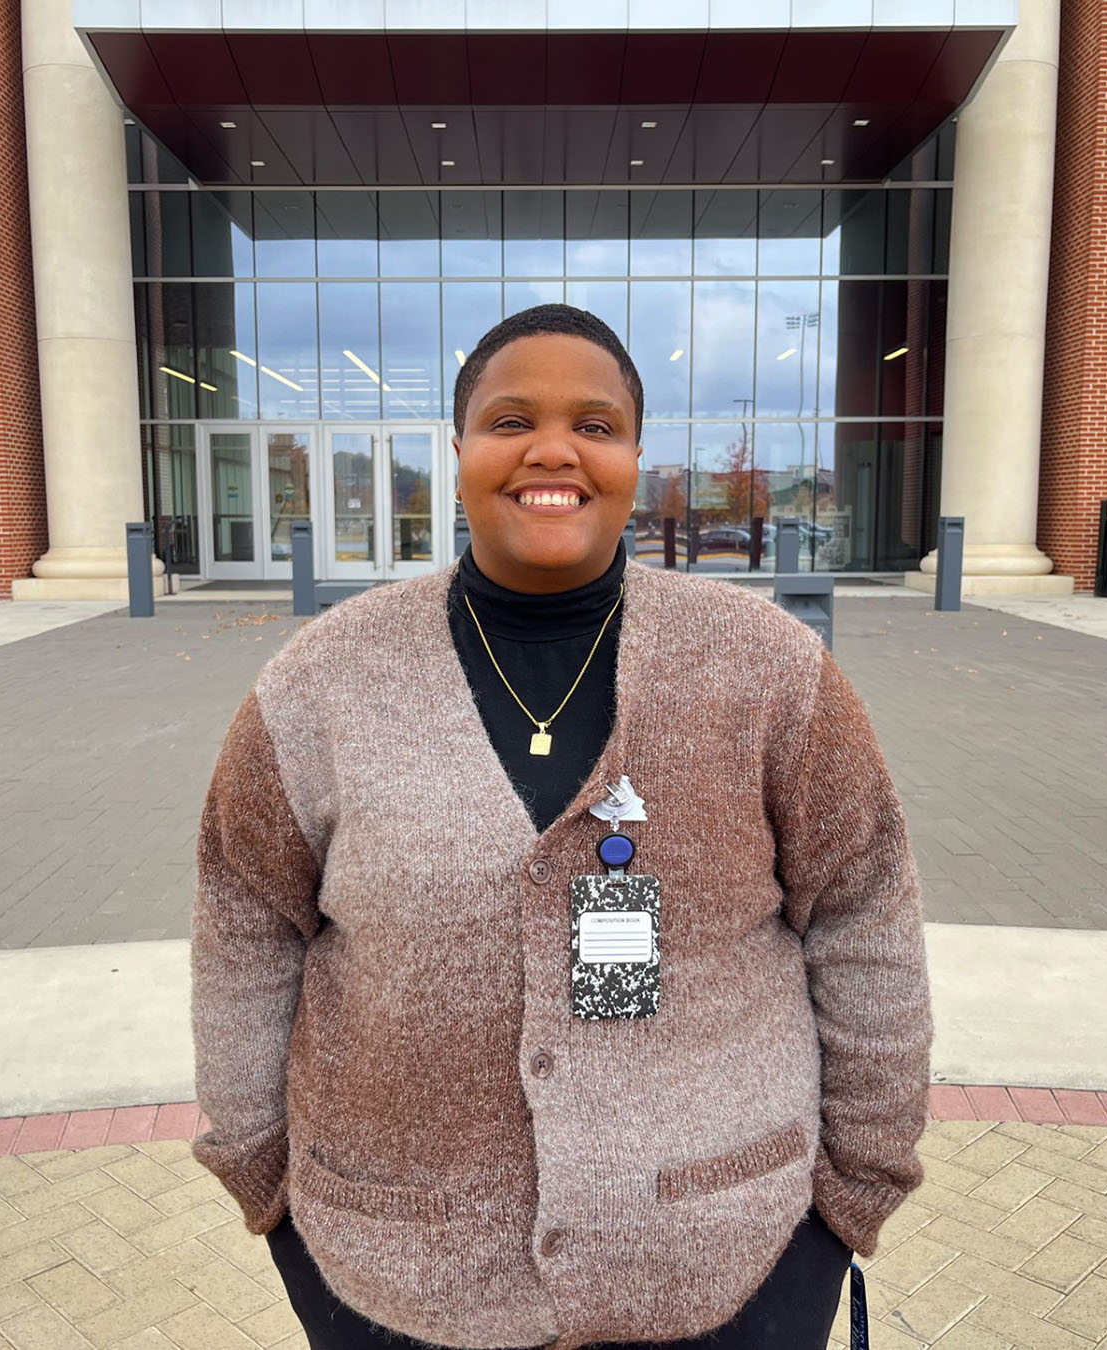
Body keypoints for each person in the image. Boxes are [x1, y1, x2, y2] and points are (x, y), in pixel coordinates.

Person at [192, 304, 931, 1350]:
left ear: (635, 457)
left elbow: (864, 912)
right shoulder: (321, 683)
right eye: (509, 421)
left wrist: (851, 1190)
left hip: (735, 1260)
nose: (553, 450)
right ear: (458, 453)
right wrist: (262, 1172)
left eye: (595, 423)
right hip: (397, 1271)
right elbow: (245, 924)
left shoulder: (765, 670)